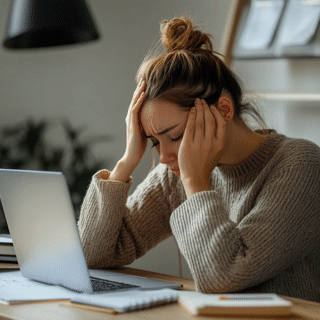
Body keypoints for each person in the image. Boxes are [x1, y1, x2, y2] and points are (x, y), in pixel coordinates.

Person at [78, 16, 320, 302]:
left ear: (224, 111)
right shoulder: (176, 172)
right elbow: (91, 255)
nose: (165, 156)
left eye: (176, 136)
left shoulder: (300, 165)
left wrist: (195, 181)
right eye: (154, 142)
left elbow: (225, 275)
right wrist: (127, 161)